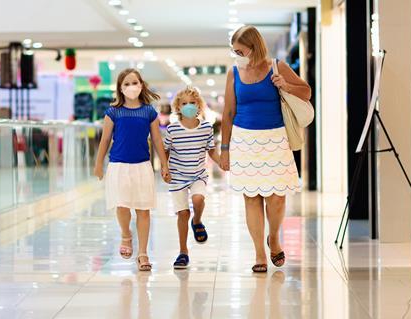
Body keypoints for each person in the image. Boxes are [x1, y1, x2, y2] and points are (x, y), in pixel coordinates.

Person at [220, 25, 311, 273]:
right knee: (251, 198)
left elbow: (306, 91)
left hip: (274, 139)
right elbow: (227, 112)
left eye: (240, 50)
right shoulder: (234, 73)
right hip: (244, 141)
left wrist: (285, 85)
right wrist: (224, 148)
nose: (238, 55)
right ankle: (260, 253)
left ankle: (274, 238)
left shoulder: (277, 66)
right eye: (235, 51)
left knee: (277, 198)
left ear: (254, 46)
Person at [94, 68, 170, 272]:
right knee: (122, 206)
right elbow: (105, 140)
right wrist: (98, 164)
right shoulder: (113, 112)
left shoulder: (149, 112)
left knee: (143, 210)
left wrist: (164, 164)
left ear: (141, 84)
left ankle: (143, 253)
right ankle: (126, 235)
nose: (131, 87)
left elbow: (156, 140)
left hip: (142, 166)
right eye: (126, 84)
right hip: (118, 166)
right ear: (120, 88)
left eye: (134, 82)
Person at [164, 86, 220, 269]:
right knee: (182, 213)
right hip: (177, 176)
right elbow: (165, 151)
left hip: (197, 174)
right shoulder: (172, 130)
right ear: (178, 108)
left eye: (192, 102)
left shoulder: (206, 128)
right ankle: (183, 252)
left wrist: (221, 162)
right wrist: (164, 168)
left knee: (198, 199)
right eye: (184, 103)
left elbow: (211, 150)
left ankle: (197, 220)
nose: (189, 106)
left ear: (199, 105)